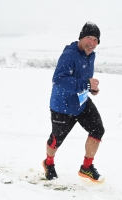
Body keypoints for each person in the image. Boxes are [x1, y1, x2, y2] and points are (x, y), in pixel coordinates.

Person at [42, 22, 105, 182]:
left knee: (97, 130)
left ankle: (86, 167)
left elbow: (82, 78)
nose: (92, 43)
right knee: (56, 140)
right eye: (89, 38)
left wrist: (91, 88)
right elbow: (58, 79)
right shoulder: (69, 54)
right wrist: (86, 84)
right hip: (62, 106)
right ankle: (48, 163)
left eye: (95, 40)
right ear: (81, 38)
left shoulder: (91, 55)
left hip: (81, 103)